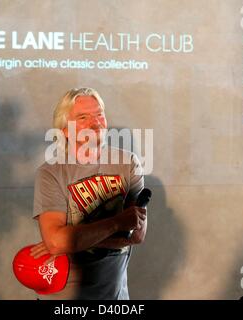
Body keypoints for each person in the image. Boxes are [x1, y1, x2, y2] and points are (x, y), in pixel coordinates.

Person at [30, 87, 147, 299]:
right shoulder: (50, 173)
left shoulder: (127, 163)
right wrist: (117, 224)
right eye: (83, 117)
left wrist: (72, 238)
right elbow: (56, 242)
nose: (95, 123)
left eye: (99, 114)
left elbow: (136, 234)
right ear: (65, 129)